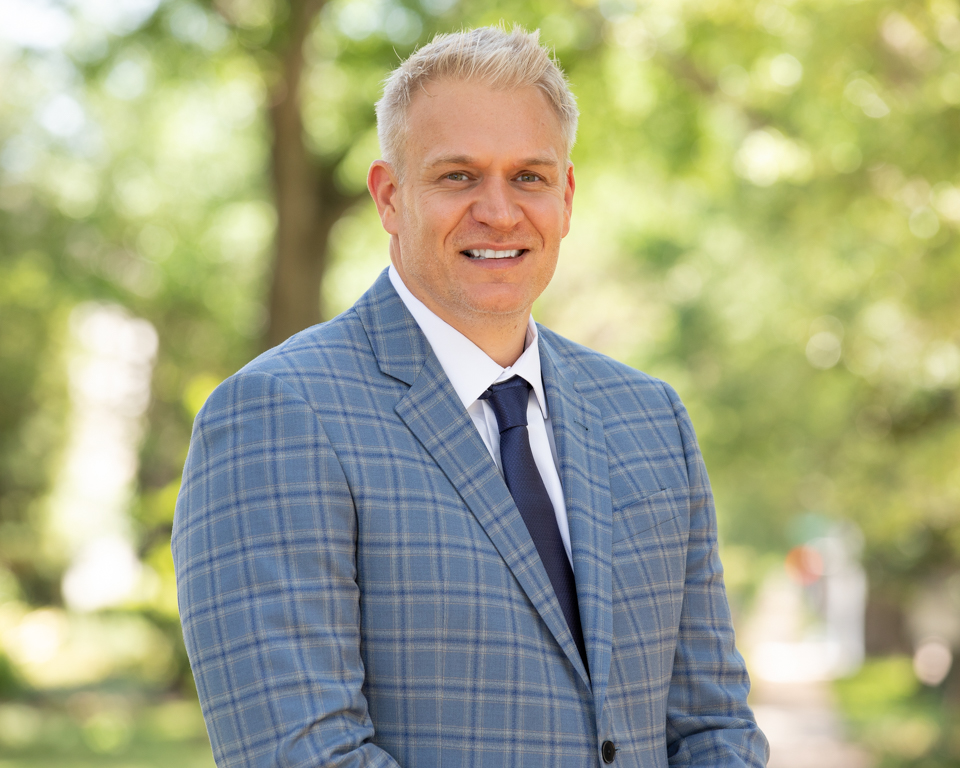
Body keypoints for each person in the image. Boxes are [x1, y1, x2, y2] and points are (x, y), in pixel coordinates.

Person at [173, 25, 769, 768]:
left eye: (529, 177)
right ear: (391, 197)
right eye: (458, 176)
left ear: (567, 196)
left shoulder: (652, 420)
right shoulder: (277, 418)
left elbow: (713, 728)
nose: (498, 210)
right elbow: (306, 755)